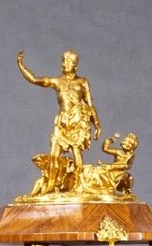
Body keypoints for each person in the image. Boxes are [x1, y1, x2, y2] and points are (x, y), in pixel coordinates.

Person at [17, 50, 101, 193]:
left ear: (75, 65)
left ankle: (79, 186)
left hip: (77, 122)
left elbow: (89, 105)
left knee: (77, 154)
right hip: (62, 122)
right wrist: (21, 65)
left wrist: (97, 125)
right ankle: (50, 186)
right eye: (64, 60)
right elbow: (35, 80)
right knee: (54, 155)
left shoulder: (82, 82)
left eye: (69, 61)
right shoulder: (57, 81)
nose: (65, 63)